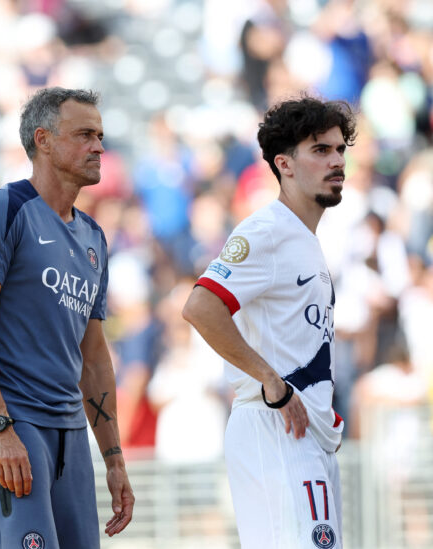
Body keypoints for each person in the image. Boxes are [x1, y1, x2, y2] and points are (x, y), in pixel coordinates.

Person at [0, 87, 134, 549]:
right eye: (85, 135)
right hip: (13, 424)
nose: (99, 146)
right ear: (44, 140)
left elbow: (93, 357)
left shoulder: (94, 236)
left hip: (71, 434)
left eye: (101, 135)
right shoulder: (3, 209)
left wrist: (114, 459)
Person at [182, 95, 356, 548]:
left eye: (340, 150)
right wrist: (271, 382)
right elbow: (201, 307)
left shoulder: (305, 239)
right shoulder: (267, 231)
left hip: (304, 433)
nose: (337, 161)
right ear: (285, 164)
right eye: (321, 150)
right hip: (274, 425)